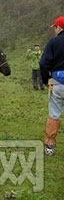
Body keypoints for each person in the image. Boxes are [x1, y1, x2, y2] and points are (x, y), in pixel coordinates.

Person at [39, 16, 64, 156]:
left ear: (59, 28)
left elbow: (43, 63)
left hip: (57, 82)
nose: (54, 30)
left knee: (54, 115)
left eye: (55, 27)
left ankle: (49, 146)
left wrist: (45, 79)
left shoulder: (53, 42)